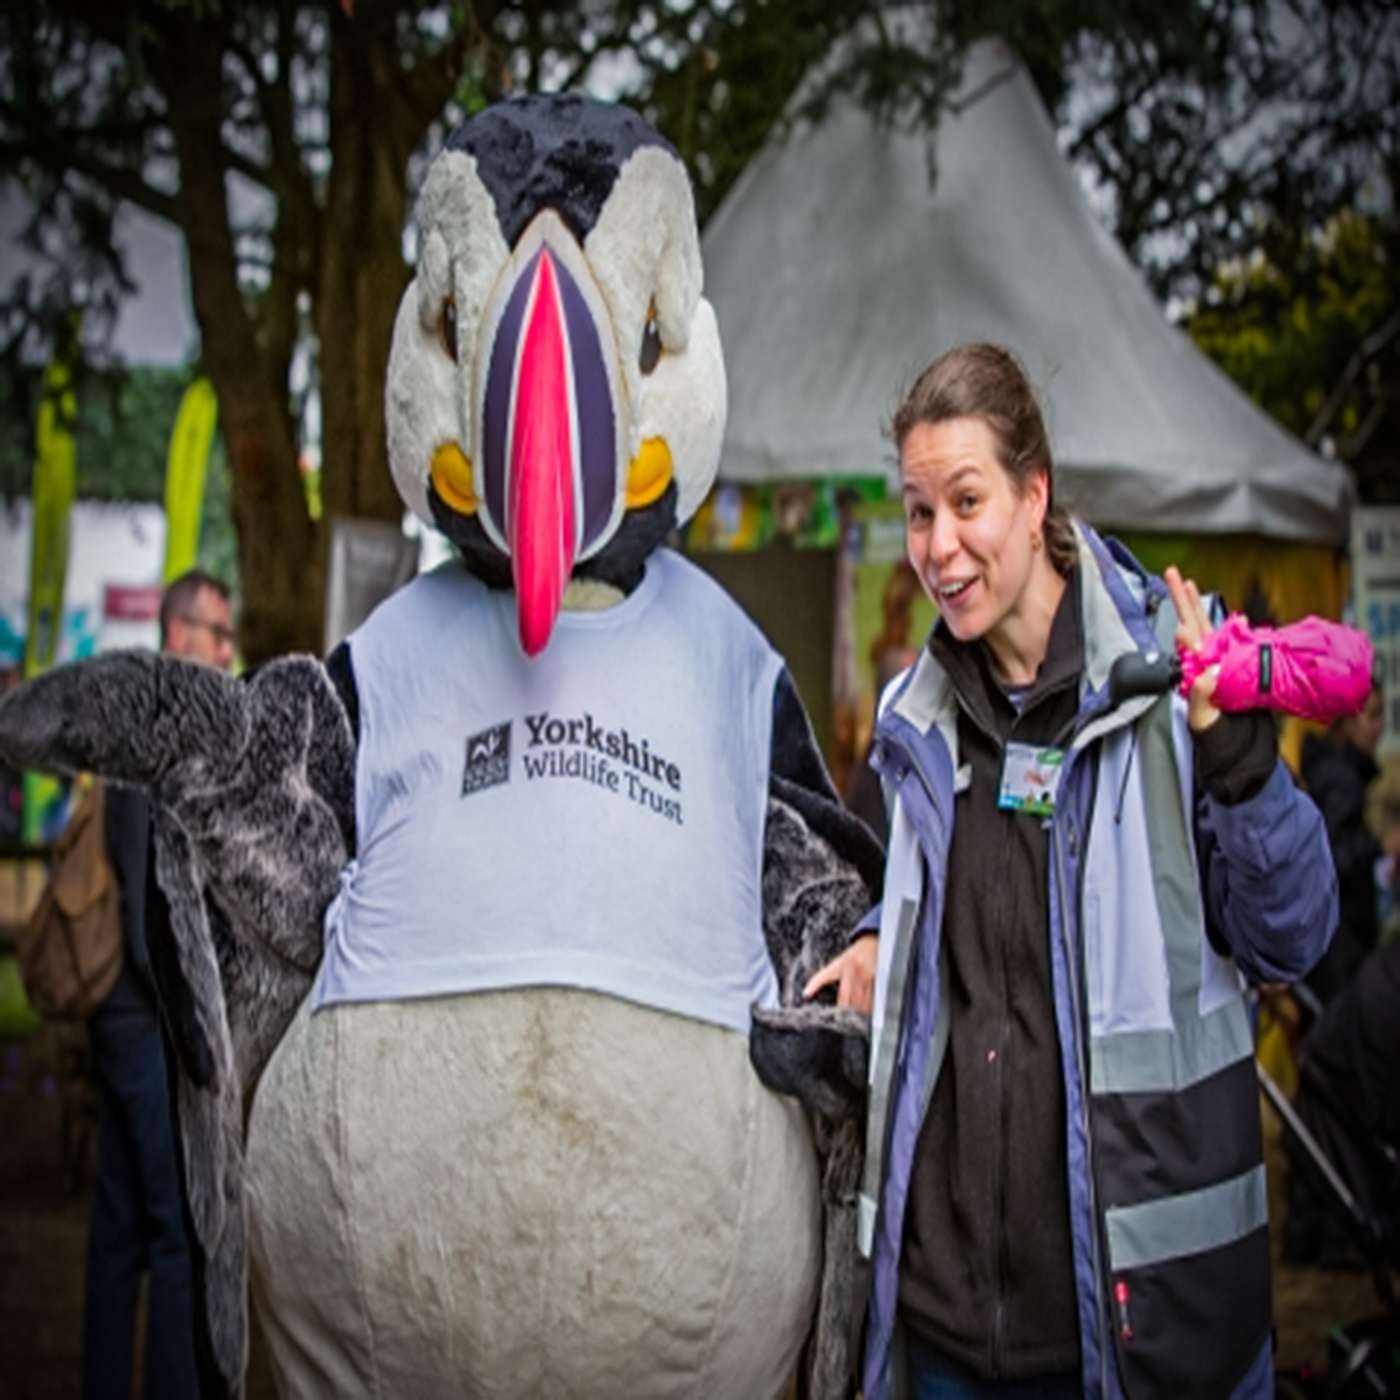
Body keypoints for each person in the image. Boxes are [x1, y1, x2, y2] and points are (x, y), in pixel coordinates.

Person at [805, 343, 1337, 1399]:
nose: (938, 546)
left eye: (965, 501)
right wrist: (870, 932)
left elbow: (1293, 930)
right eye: (917, 513)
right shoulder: (915, 722)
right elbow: (891, 885)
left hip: (1135, 1333)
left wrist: (1237, 759)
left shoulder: (1172, 683)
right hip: (942, 1330)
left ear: (1032, 490)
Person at [82, 569, 234, 1399]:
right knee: (178, 1229)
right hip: (146, 1019)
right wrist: (197, 1040)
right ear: (178, 634)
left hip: (123, 1012)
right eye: (216, 633)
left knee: (119, 1228)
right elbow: (152, 918)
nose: (226, 649)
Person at [1299, 683, 1388, 1002]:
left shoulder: (1338, 770)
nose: (1379, 728)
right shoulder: (1343, 779)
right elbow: (1333, 857)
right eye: (1372, 716)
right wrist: (1380, 847)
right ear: (1347, 720)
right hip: (1342, 946)